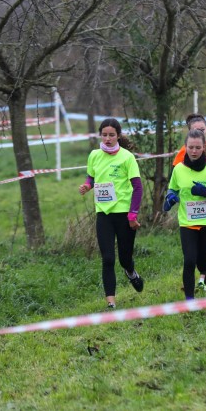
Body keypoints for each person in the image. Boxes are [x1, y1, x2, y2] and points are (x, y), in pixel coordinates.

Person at [78, 118, 144, 309]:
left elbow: (137, 188)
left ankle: (131, 272)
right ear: (100, 135)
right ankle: (111, 303)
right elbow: (92, 176)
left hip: (124, 214)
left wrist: (133, 214)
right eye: (104, 135)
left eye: (111, 135)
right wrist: (87, 186)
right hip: (104, 214)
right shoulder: (94, 155)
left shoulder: (127, 157)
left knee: (124, 258)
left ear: (118, 136)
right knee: (107, 258)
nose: (107, 139)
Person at [163, 129, 206, 300]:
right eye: (190, 147)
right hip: (188, 222)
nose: (194, 151)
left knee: (202, 263)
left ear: (204, 148)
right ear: (185, 147)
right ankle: (189, 300)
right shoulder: (179, 169)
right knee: (189, 261)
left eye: (197, 147)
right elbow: (172, 188)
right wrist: (171, 197)